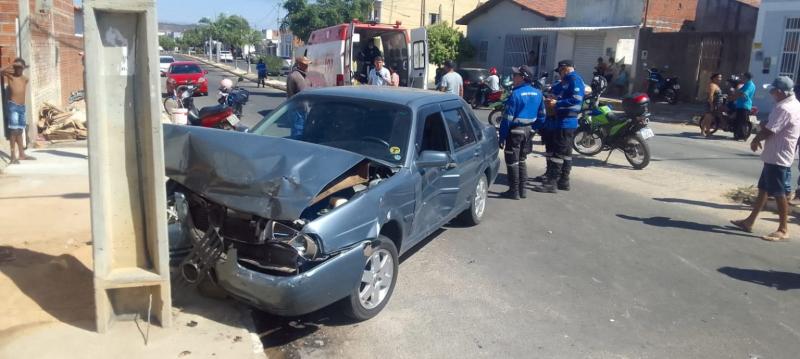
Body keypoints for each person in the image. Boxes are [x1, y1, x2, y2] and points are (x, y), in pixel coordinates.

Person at [731, 77, 800, 241]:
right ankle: (749, 221)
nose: (771, 93)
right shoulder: (792, 104)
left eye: (773, 90)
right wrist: (765, 125)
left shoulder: (785, 108)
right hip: (774, 154)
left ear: (780, 92)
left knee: (778, 193)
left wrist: (756, 139)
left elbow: (771, 130)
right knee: (763, 189)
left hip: (778, 156)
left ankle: (783, 229)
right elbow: (773, 126)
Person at [533, 59, 584, 193]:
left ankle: (552, 183)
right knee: (565, 153)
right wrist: (549, 95)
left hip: (566, 121)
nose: (559, 74)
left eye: (560, 71)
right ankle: (563, 181)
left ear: (565, 68)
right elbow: (554, 90)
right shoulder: (565, 81)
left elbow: (576, 99)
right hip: (562, 121)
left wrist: (557, 103)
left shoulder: (574, 79)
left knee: (557, 153)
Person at [498, 65, 546, 200]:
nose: (513, 78)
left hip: (515, 132)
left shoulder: (515, 94)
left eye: (515, 75)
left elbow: (507, 119)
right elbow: (542, 116)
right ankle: (522, 190)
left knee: (512, 161)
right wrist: (533, 130)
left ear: (523, 78)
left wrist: (502, 136)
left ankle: (514, 191)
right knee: (522, 160)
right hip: (528, 131)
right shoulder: (538, 93)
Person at [1, 58, 35, 164]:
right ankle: (12, 156)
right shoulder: (10, 77)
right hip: (13, 106)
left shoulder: (25, 79)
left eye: (20, 67)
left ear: (23, 68)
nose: (17, 69)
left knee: (20, 131)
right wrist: (12, 64)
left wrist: (22, 65)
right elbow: (1, 71)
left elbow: (25, 68)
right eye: (16, 67)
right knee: (14, 131)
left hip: (21, 107)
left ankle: (21, 154)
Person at [731, 72, 756, 140]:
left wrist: (738, 93)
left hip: (744, 105)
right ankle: (738, 135)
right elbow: (739, 91)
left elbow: (744, 94)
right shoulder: (746, 84)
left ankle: (742, 136)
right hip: (740, 105)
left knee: (741, 121)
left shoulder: (750, 85)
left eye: (743, 77)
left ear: (746, 78)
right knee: (738, 120)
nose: (742, 78)